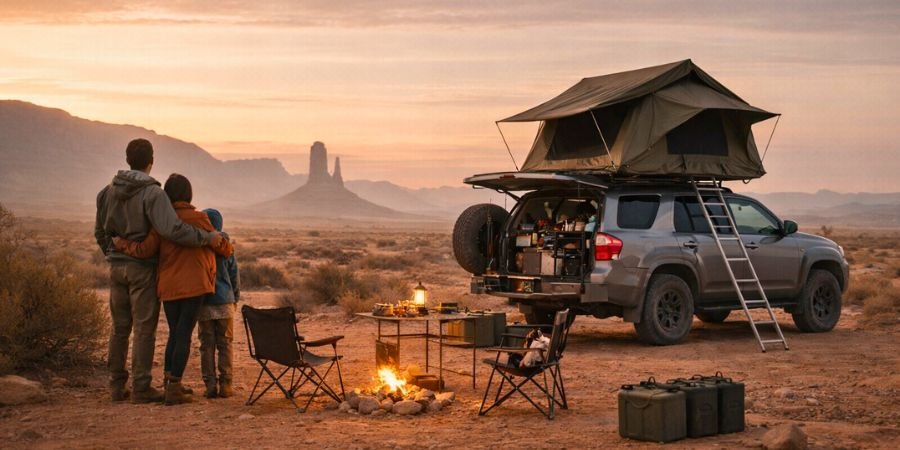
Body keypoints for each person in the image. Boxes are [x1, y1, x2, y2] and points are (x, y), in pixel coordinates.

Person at [94, 139, 225, 404]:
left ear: (127, 158)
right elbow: (172, 230)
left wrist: (113, 254)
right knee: (144, 329)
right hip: (142, 269)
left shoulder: (106, 192)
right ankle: (141, 387)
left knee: (119, 328)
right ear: (150, 161)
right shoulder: (152, 193)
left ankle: (117, 387)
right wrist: (206, 237)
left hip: (116, 267)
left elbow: (100, 233)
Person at [114, 174, 233, 405]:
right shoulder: (200, 219)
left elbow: (145, 250)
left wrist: (122, 244)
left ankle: (170, 382)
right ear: (189, 194)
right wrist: (226, 246)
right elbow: (223, 248)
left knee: (174, 333)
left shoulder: (161, 222)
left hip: (168, 285)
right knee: (184, 335)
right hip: (195, 286)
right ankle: (174, 387)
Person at [197, 208, 240, 399]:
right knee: (225, 343)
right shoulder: (226, 247)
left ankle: (210, 385)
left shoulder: (199, 245)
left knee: (206, 344)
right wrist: (235, 298)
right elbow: (234, 275)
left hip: (204, 302)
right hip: (225, 302)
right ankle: (226, 384)